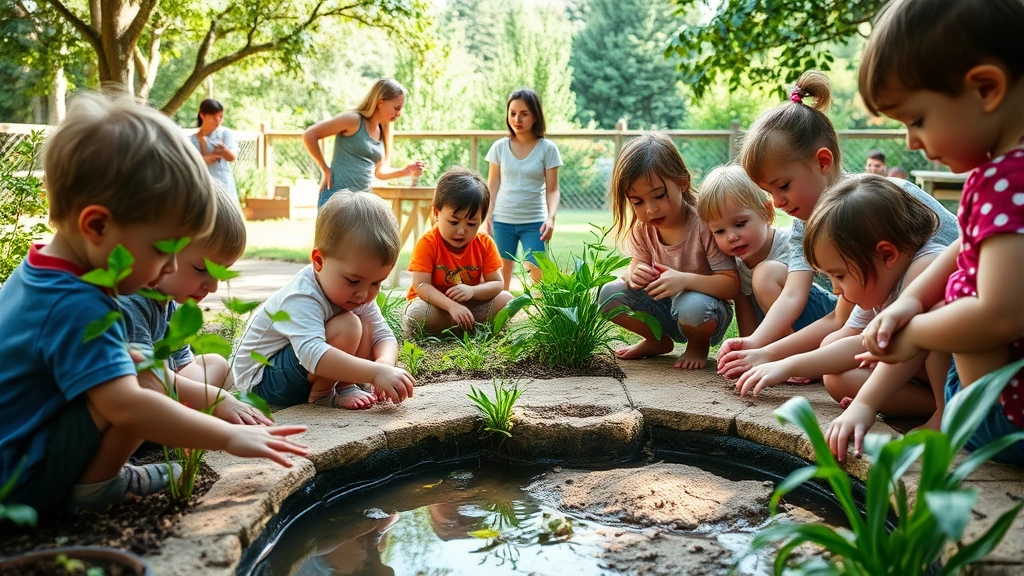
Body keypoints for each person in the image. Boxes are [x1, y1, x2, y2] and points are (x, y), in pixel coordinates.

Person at [0, 92, 307, 516]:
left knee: (139, 361)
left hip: (22, 455)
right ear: (97, 226)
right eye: (164, 251)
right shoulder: (77, 305)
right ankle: (97, 487)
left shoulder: (47, 273)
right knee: (145, 378)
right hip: (19, 483)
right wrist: (228, 436)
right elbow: (127, 404)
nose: (168, 270)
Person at [830, 0, 1024, 464]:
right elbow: (963, 246)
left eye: (916, 120)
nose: (911, 141)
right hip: (983, 397)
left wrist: (917, 332)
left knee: (954, 307)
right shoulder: (1000, 173)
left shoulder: (1010, 179)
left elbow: (1001, 315)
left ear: (986, 88)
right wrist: (912, 302)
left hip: (1003, 417)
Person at [715, 71, 959, 381]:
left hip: (942, 320)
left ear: (823, 162)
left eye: (783, 186)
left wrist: (782, 358)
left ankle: (940, 398)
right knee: (837, 371)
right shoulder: (807, 221)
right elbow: (818, 307)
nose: (777, 201)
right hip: (882, 318)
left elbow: (961, 252)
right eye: (768, 191)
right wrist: (760, 347)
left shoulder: (875, 206)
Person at [734, 176, 949, 428]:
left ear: (886, 254)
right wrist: (784, 364)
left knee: (929, 322)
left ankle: (946, 412)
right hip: (922, 373)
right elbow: (855, 338)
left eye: (840, 276)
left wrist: (863, 403)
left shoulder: (926, 267)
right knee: (837, 378)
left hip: (966, 375)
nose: (836, 290)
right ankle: (932, 405)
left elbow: (898, 342)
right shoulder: (883, 276)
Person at [233, 192, 415, 410]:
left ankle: (344, 386)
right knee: (349, 325)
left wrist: (384, 364)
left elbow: (382, 335)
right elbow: (312, 353)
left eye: (377, 283)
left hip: (295, 371)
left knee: (364, 322)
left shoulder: (357, 291)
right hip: (261, 382)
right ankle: (324, 395)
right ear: (318, 261)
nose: (364, 294)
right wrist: (374, 373)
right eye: (353, 281)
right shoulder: (302, 295)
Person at [118, 188, 270, 425]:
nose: (213, 287)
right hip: (132, 398)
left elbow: (182, 364)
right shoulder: (131, 300)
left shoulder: (169, 301)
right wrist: (216, 399)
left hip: (162, 387)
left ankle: (183, 411)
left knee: (216, 364)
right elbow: (144, 377)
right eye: (201, 269)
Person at [599, 133, 739, 370]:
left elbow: (731, 285)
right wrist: (636, 274)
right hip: (664, 308)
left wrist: (683, 281)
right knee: (608, 294)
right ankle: (657, 340)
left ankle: (697, 345)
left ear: (682, 183)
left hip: (704, 314)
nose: (651, 209)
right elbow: (637, 266)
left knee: (691, 304)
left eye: (658, 196)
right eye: (637, 201)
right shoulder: (643, 229)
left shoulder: (705, 225)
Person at [696, 165, 834, 338]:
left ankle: (788, 348)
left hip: (826, 316)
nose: (731, 237)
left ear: (767, 212)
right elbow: (746, 316)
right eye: (719, 231)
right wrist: (745, 347)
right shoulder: (736, 266)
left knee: (765, 274)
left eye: (740, 224)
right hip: (791, 331)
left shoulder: (791, 243)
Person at [402, 167, 513, 337]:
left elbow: (497, 283)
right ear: (436, 213)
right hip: (436, 307)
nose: (461, 231)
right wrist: (451, 306)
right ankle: (463, 325)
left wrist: (473, 291)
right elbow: (421, 286)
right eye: (454, 222)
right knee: (416, 314)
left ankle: (460, 323)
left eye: (471, 224)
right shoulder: (428, 243)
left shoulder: (484, 243)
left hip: (470, 306)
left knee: (507, 300)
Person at [485, 88, 563, 290]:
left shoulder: (548, 149)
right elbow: (492, 186)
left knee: (538, 277)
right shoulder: (499, 148)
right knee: (499, 281)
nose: (516, 119)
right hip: (502, 221)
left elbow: (553, 190)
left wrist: (551, 218)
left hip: (535, 223)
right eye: (512, 113)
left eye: (524, 114)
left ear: (535, 116)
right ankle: (500, 311)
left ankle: (540, 311)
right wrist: (487, 216)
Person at [303, 78, 424, 207]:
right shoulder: (353, 120)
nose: (399, 113)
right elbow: (310, 135)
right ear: (380, 102)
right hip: (335, 199)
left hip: (360, 204)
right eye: (397, 108)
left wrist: (406, 171)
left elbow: (380, 172)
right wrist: (324, 168)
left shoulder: (383, 130)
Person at [189, 98, 238, 198]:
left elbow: (232, 157)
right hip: (202, 187)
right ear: (202, 115)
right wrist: (202, 159)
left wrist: (224, 150)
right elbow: (188, 163)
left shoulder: (225, 134)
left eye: (221, 117)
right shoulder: (191, 140)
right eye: (214, 118)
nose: (218, 121)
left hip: (224, 186)